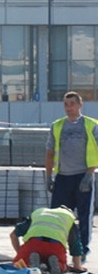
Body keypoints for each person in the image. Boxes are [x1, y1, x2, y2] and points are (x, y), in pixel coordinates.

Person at [45, 91, 96, 259]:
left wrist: (90, 174)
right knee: (56, 216)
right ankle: (55, 251)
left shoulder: (90, 125)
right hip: (63, 178)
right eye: (66, 105)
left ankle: (81, 253)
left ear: (80, 105)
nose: (69, 108)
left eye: (72, 104)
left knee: (83, 216)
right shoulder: (57, 126)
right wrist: (49, 176)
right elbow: (50, 153)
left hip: (83, 176)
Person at [10, 206, 86, 274]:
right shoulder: (68, 218)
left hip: (34, 244)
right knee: (62, 264)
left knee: (18, 264)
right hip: (55, 246)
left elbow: (13, 235)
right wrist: (77, 266)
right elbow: (75, 244)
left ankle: (31, 265)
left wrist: (20, 253)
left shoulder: (39, 213)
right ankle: (58, 267)